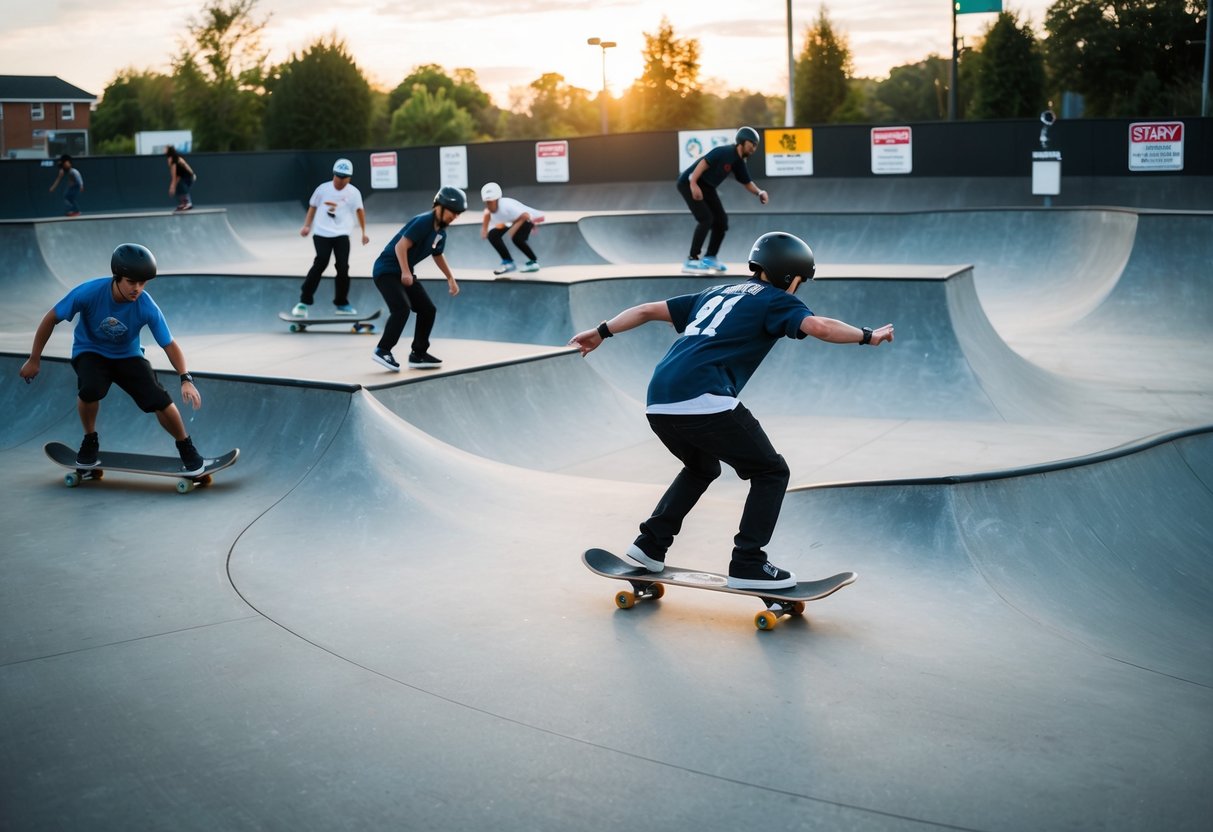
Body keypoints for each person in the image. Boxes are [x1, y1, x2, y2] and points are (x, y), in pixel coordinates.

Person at [569, 232, 894, 589]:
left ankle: (649, 546)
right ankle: (749, 564)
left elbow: (647, 310)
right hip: (703, 399)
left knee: (701, 466)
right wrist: (868, 335)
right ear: (791, 277)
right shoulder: (776, 300)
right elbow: (820, 327)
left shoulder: (715, 293)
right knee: (771, 472)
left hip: (659, 399)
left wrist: (601, 332)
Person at [19, 243, 208, 474]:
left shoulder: (146, 305)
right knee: (90, 389)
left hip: (128, 356)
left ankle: (185, 446)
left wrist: (185, 378)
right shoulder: (89, 293)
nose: (137, 289)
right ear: (117, 277)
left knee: (159, 398)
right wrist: (34, 359)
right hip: (90, 351)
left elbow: (168, 343)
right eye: (131, 282)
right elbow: (51, 318)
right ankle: (90, 439)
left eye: (142, 283)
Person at [369, 186, 466, 372]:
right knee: (402, 308)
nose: (455, 217)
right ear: (439, 207)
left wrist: (450, 278)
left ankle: (418, 354)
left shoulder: (440, 233)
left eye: (458, 214)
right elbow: (400, 246)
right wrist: (405, 272)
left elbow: (437, 255)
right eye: (453, 212)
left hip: (403, 272)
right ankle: (382, 350)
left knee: (427, 309)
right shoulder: (424, 221)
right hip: (387, 270)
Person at [676, 126, 768, 275]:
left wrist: (759, 192)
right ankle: (692, 259)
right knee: (706, 219)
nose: (754, 148)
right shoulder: (724, 152)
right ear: (742, 142)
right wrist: (694, 185)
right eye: (752, 144)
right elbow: (702, 164)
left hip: (707, 187)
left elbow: (747, 182)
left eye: (756, 145)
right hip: (689, 183)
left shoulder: (738, 162)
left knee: (721, 221)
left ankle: (710, 257)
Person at [292, 158, 369, 319]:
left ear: (349, 178)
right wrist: (307, 225)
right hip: (321, 233)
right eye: (338, 176)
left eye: (344, 177)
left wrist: (363, 232)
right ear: (334, 175)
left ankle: (342, 303)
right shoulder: (322, 189)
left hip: (342, 234)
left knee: (343, 267)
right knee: (321, 261)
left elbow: (360, 211)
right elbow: (313, 207)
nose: (340, 181)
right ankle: (303, 301)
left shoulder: (353, 192)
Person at [479, 182, 545, 275]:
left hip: (529, 218)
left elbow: (525, 215)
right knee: (493, 235)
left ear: (497, 200)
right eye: (487, 203)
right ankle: (508, 263)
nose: (489, 205)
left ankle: (533, 263)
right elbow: (487, 214)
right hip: (512, 220)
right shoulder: (489, 210)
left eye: (491, 202)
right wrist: (484, 230)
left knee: (517, 238)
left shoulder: (507, 206)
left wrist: (513, 228)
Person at [165, 146, 196, 211]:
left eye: (165, 148)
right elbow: (177, 175)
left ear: (169, 151)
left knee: (181, 187)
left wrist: (172, 186)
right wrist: (173, 186)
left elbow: (174, 175)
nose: (164, 150)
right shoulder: (174, 158)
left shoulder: (174, 159)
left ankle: (188, 203)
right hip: (182, 176)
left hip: (187, 176)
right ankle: (183, 203)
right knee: (178, 187)